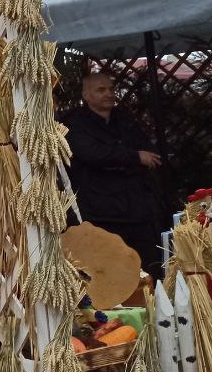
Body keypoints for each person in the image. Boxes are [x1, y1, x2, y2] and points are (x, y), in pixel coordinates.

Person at [61, 72, 168, 277]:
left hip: (136, 208)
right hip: (102, 211)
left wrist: (123, 160)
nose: (109, 94)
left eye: (111, 89)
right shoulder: (75, 123)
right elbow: (92, 153)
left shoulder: (124, 119)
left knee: (148, 268)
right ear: (86, 94)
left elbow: (150, 153)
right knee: (114, 271)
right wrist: (133, 157)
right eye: (101, 90)